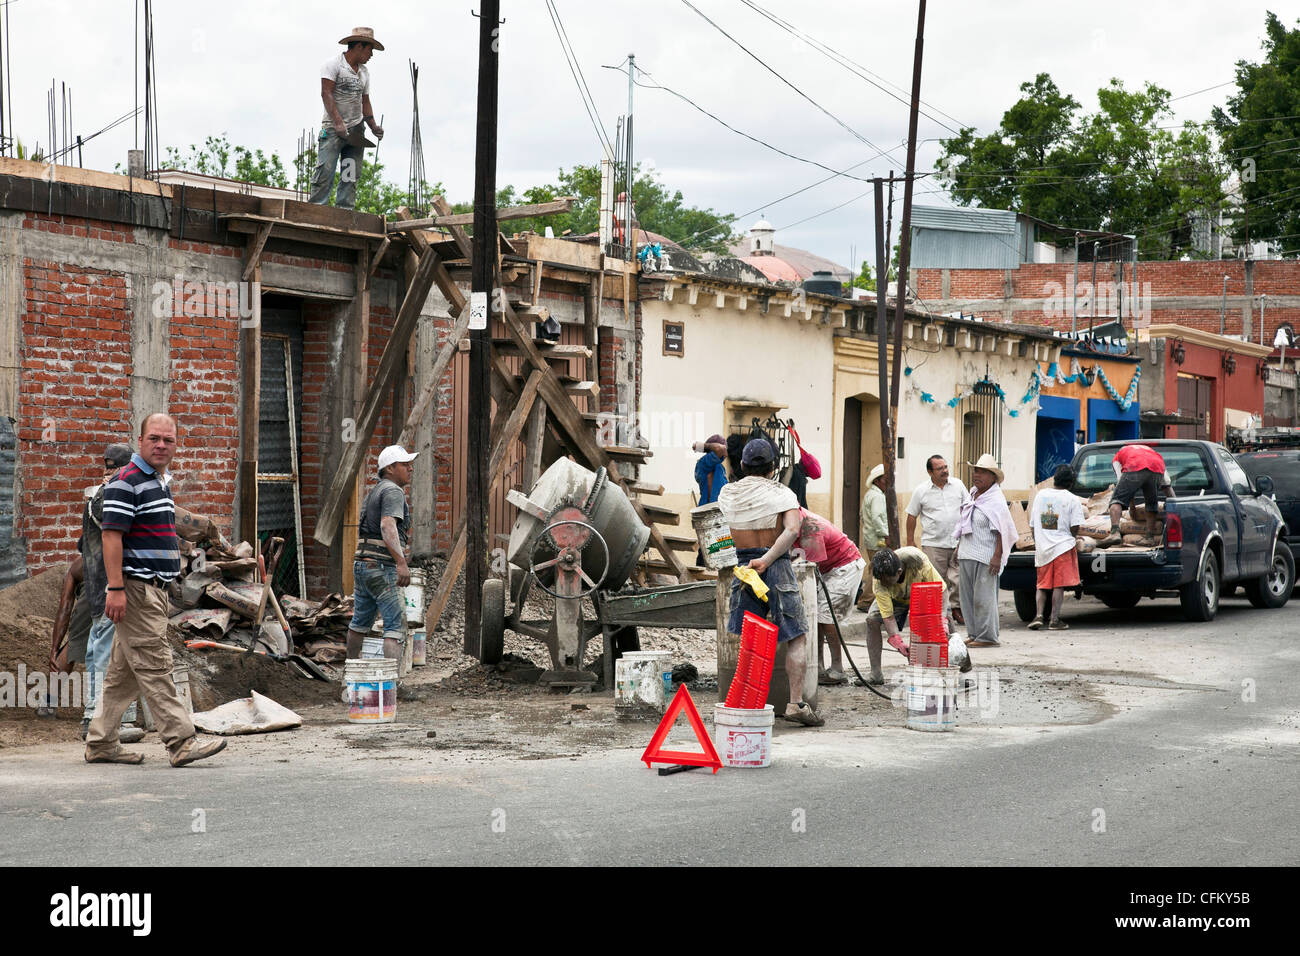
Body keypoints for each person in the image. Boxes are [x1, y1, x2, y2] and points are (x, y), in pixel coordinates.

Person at [87, 414, 226, 767]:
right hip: (135, 590)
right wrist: (115, 588)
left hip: (154, 591)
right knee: (155, 664)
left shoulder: (158, 482)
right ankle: (181, 742)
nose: (161, 445)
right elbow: (110, 536)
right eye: (154, 439)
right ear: (141, 440)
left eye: (168, 440)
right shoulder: (126, 481)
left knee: (123, 674)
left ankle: (101, 743)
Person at [717, 438, 822, 726]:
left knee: (750, 639)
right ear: (773, 467)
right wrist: (768, 559)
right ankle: (795, 704)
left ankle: (749, 702)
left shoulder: (727, 494)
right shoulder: (782, 493)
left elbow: (720, 533)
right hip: (774, 564)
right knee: (795, 635)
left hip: (743, 568)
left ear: (741, 465)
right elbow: (791, 530)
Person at [346, 445, 417, 664]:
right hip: (381, 567)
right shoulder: (393, 491)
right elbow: (388, 526)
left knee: (359, 623)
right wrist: (401, 563)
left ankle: (350, 675)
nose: (409, 469)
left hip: (362, 566)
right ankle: (391, 685)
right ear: (390, 468)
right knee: (395, 626)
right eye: (404, 465)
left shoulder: (376, 490)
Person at [309, 27, 385, 209]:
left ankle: (344, 211)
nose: (371, 55)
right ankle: (317, 210)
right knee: (325, 170)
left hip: (356, 131)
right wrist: (338, 122)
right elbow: (326, 93)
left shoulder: (364, 72)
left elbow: (365, 100)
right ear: (359, 46)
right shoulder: (333, 64)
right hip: (333, 129)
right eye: (370, 50)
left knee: (350, 174)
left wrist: (373, 126)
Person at [956, 454, 1020, 648]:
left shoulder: (996, 499)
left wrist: (997, 555)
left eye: (983, 472)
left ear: (993, 477)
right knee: (967, 598)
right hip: (967, 553)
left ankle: (987, 637)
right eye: (976, 471)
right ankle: (974, 633)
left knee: (984, 598)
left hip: (985, 556)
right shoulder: (973, 494)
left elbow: (1003, 529)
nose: (977, 475)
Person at [795, 508, 865, 686]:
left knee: (826, 617)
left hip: (845, 566)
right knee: (816, 617)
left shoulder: (810, 527)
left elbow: (808, 567)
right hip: (829, 569)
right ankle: (817, 666)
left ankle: (837, 669)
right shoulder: (793, 521)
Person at [863, 547, 945, 684]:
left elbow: (942, 591)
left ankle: (957, 665)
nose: (883, 584)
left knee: (944, 625)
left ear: (899, 572)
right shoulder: (879, 581)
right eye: (881, 581)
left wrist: (942, 619)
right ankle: (875, 674)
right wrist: (897, 641)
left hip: (924, 593)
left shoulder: (919, 563)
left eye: (887, 581)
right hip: (897, 598)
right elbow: (888, 616)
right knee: (871, 620)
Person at [906, 455, 969, 625]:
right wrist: (910, 541)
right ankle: (937, 615)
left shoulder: (958, 485)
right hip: (934, 543)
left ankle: (956, 609)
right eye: (940, 468)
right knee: (935, 581)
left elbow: (968, 509)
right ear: (929, 472)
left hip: (957, 541)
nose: (945, 471)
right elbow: (911, 516)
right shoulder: (921, 491)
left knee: (958, 578)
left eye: (946, 467)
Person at [1029, 464, 1085, 631]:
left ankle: (1038, 616)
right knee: (1058, 586)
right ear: (1071, 482)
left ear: (1055, 478)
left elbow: (1032, 524)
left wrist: (1038, 540)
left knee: (1042, 585)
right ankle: (1054, 619)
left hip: (1043, 548)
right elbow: (1075, 527)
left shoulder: (1040, 495)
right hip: (1062, 548)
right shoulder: (1072, 499)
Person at [1103, 443, 1173, 546]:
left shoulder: (1118, 456)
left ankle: (1115, 532)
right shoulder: (1153, 454)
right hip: (1156, 468)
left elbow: (1121, 482)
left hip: (1134, 466)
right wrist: (1177, 505)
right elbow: (1167, 484)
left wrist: (1132, 507)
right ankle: (1149, 537)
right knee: (1151, 503)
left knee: (1116, 501)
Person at [859, 463, 888, 607]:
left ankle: (868, 599)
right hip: (878, 539)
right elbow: (877, 518)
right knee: (877, 570)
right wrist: (885, 534)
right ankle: (867, 600)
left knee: (874, 567)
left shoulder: (870, 494)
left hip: (870, 538)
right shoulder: (877, 496)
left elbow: (862, 516)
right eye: (885, 480)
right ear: (877, 480)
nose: (887, 483)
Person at [693, 434, 728, 505]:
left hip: (719, 509)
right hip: (708, 510)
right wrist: (701, 446)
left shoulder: (719, 466)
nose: (725, 453)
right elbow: (720, 449)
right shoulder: (703, 464)